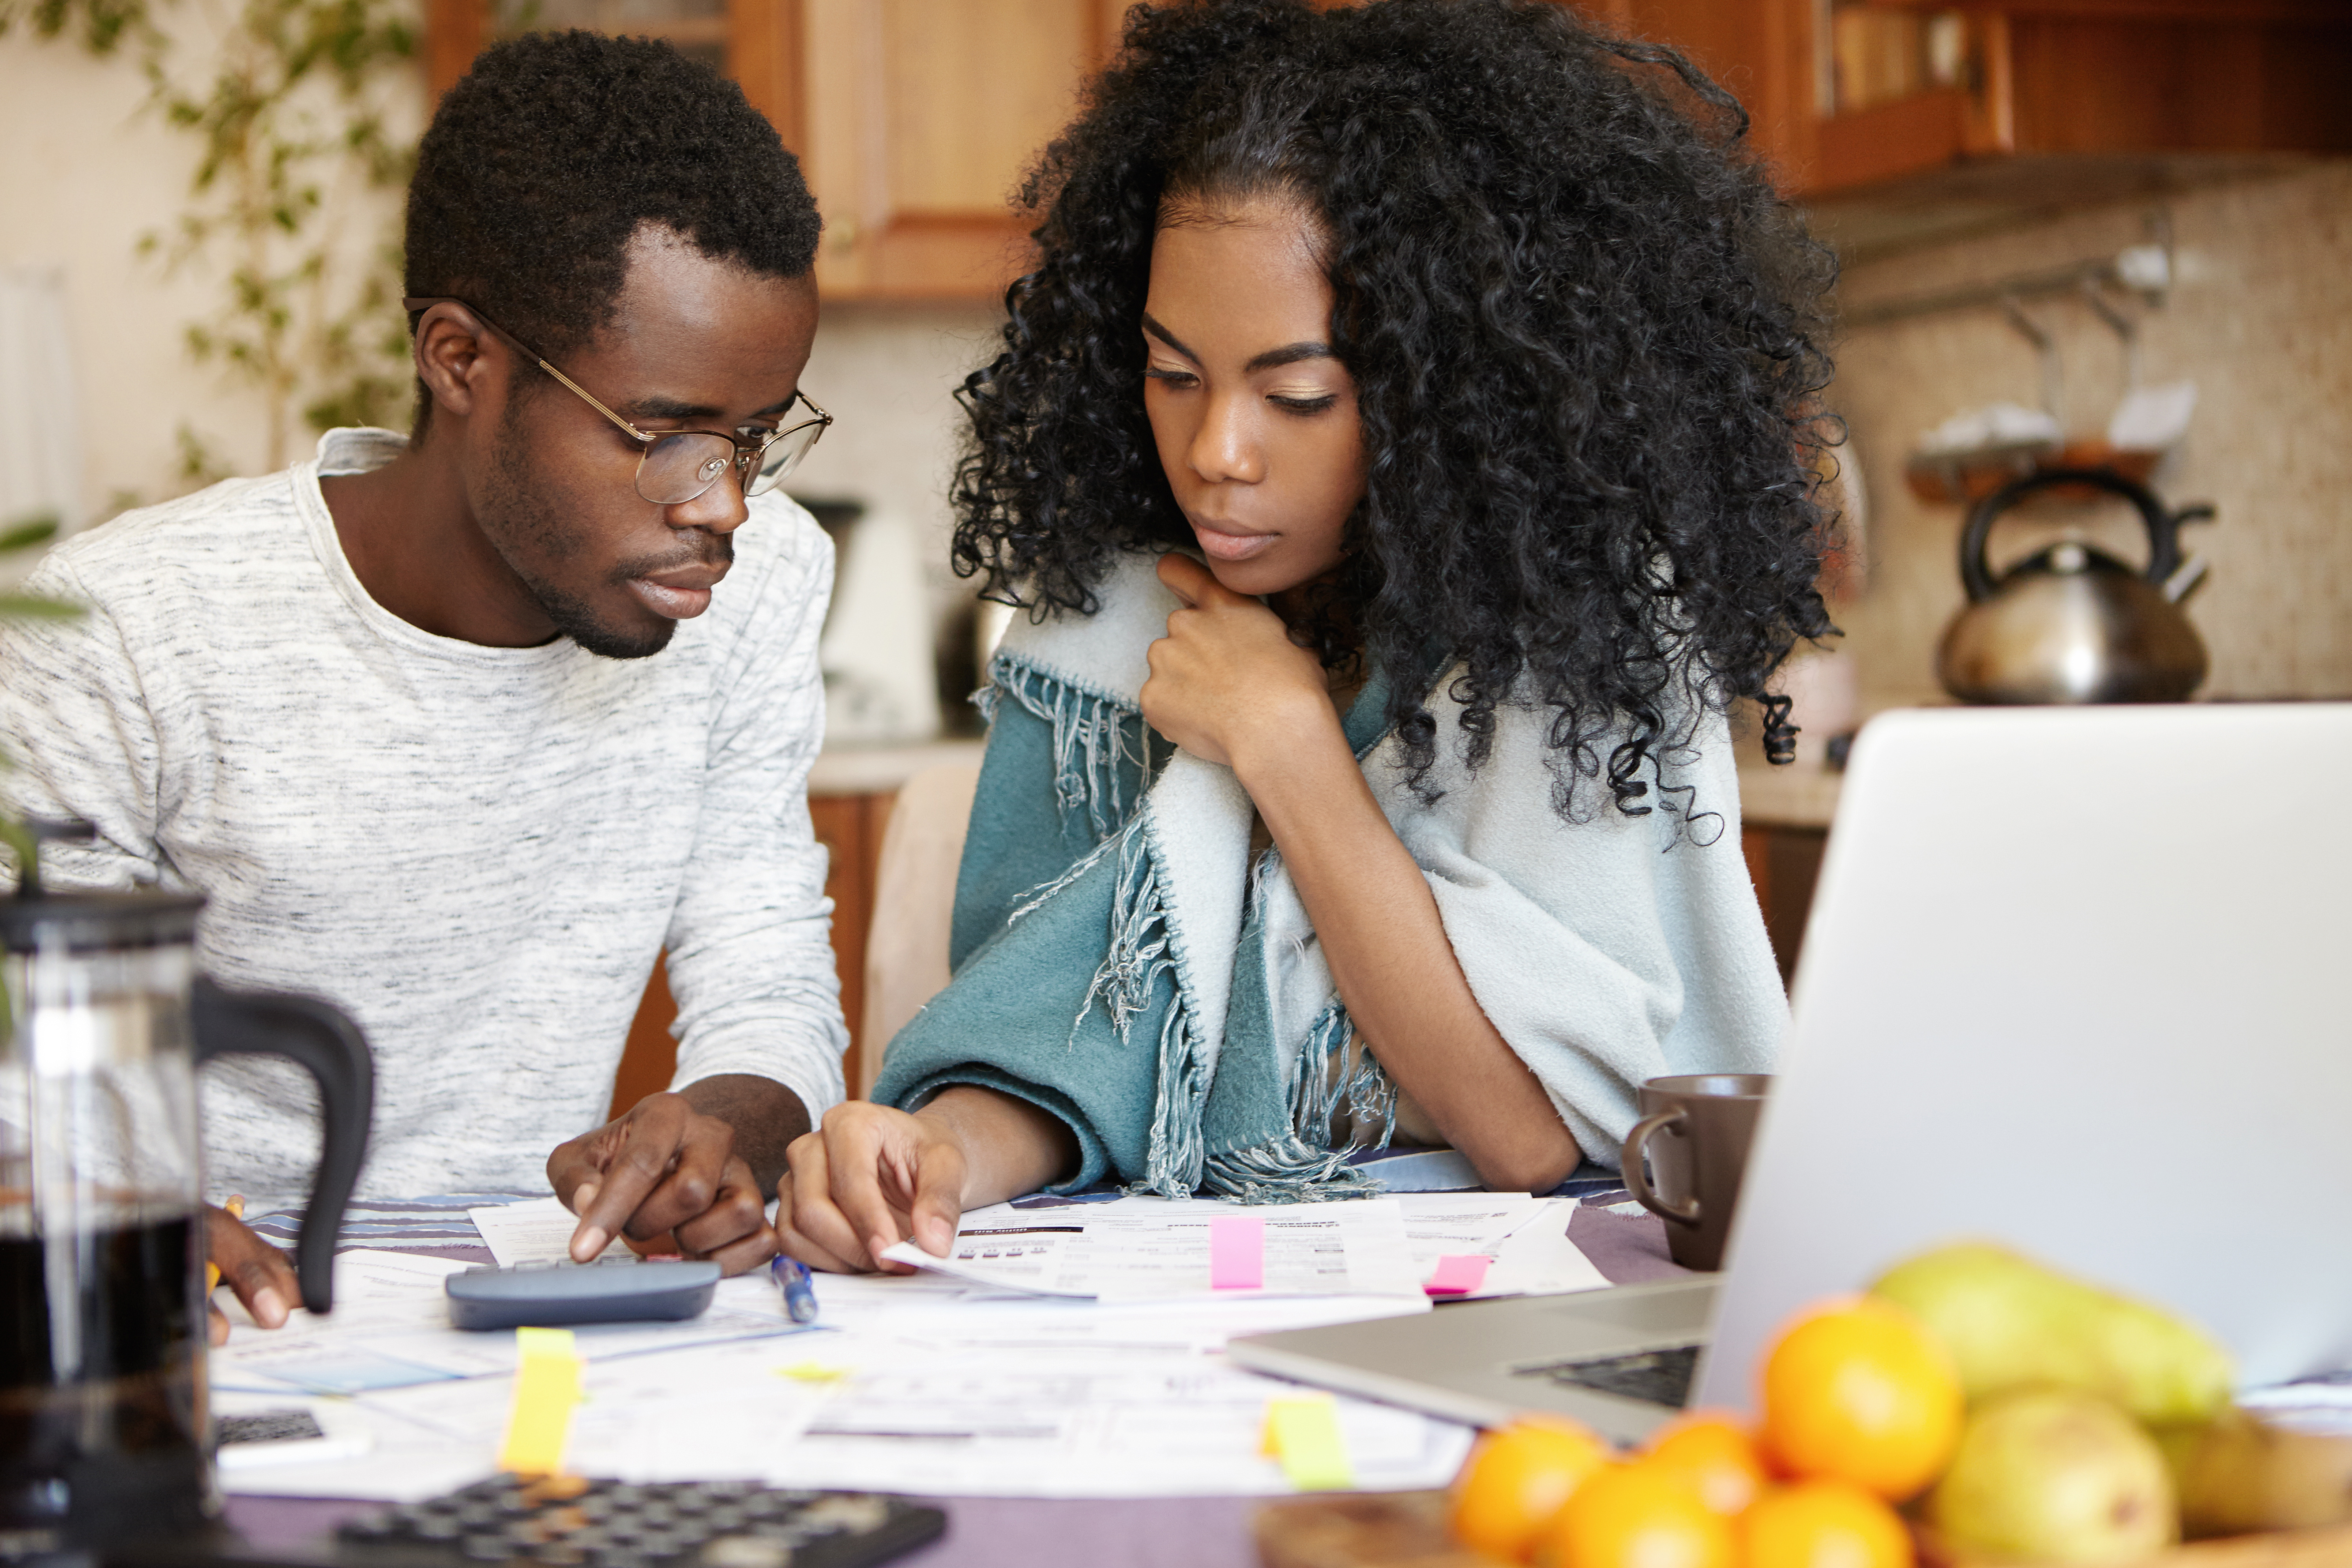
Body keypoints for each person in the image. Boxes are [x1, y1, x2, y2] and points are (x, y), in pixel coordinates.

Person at [777, 0, 1839, 1275]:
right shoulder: (1116, 619)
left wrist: (1284, 742)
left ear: (1447, 384)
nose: (1217, 454)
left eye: (1296, 396)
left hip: (1529, 1298)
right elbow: (1066, 1039)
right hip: (1204, 1289)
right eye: (1173, 375)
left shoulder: (1577, 619)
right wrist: (941, 1152)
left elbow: (1516, 1132)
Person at [0, 31, 847, 1330]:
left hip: (544, 1316)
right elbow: (27, 1080)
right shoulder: (120, 634)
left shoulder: (763, 583)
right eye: (668, 437)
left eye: (755, 437)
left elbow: (767, 965)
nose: (725, 505)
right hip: (223, 1335)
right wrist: (97, 1210)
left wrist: (718, 1127)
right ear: (460, 362)